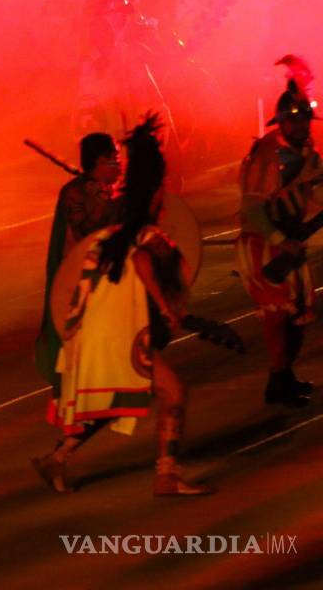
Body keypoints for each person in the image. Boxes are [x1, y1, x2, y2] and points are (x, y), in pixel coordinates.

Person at [32, 115, 214, 496]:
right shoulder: (114, 215)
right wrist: (167, 309)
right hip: (111, 323)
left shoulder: (127, 219)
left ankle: (58, 459)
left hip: (103, 321)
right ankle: (166, 474)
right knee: (173, 393)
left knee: (119, 394)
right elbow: (139, 260)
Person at [237, 57, 318, 408]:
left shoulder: (307, 151)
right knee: (277, 317)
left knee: (298, 316)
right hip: (263, 242)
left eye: (305, 120)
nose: (302, 126)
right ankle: (279, 378)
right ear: (283, 121)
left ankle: (282, 378)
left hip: (290, 240)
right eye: (295, 120)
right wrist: (278, 241)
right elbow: (253, 208)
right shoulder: (268, 153)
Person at [35, 133, 121, 413]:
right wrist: (106, 205)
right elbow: (87, 234)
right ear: (98, 161)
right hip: (77, 279)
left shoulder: (109, 190)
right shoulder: (73, 193)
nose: (119, 166)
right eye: (114, 160)